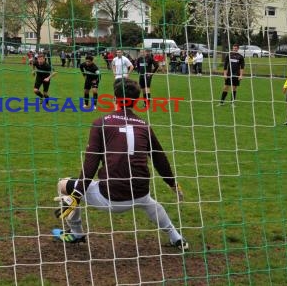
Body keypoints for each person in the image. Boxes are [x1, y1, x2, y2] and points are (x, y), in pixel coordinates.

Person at [52, 78, 188, 251]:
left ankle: (76, 233)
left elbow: (90, 163)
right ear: (137, 100)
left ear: (114, 98)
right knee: (149, 203)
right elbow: (159, 158)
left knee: (63, 185)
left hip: (110, 196)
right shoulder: (144, 126)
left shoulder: (101, 123)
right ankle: (176, 237)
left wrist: (76, 194)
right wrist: (172, 183)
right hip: (139, 191)